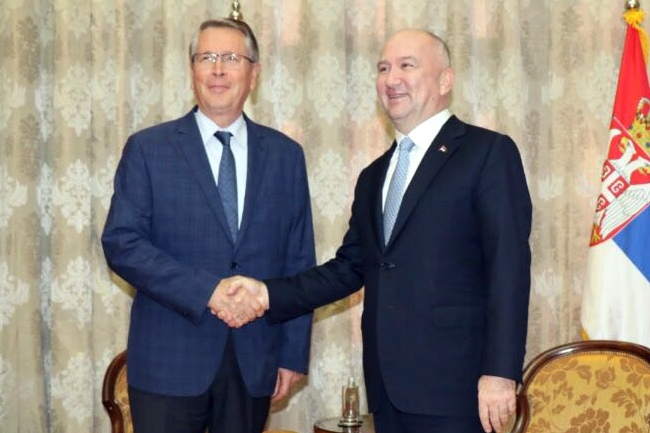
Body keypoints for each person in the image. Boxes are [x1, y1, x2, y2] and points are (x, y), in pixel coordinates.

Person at [215, 29, 532, 433]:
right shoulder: (374, 176)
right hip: (386, 391)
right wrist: (265, 293)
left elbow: (509, 267)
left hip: (459, 388)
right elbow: (348, 269)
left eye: (406, 66)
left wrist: (500, 372)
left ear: (445, 80)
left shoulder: (487, 152)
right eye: (383, 68)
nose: (391, 79)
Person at [101, 18, 315, 433]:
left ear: (254, 74)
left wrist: (292, 353)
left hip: (254, 361)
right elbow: (122, 243)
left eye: (231, 58)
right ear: (192, 70)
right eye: (207, 58)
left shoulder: (286, 156)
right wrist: (207, 292)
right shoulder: (148, 149)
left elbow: (299, 259)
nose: (218, 69)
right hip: (168, 362)